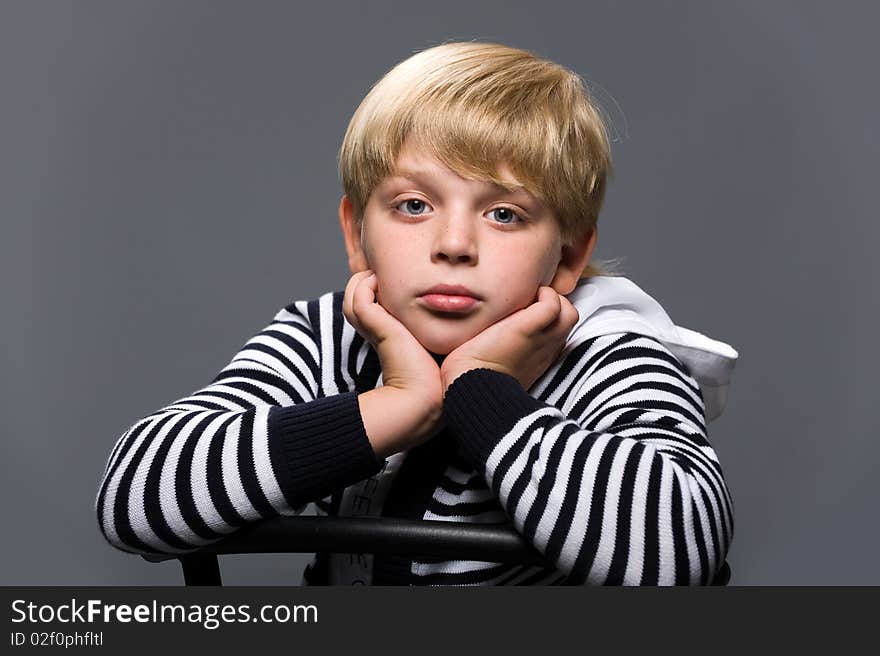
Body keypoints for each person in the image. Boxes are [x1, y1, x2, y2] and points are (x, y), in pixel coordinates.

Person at [95, 41, 738, 585]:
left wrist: (480, 387)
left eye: (504, 214)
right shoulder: (326, 337)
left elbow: (682, 553)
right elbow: (133, 499)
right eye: (413, 205)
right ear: (356, 234)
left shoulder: (609, 355)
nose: (454, 245)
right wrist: (396, 405)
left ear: (568, 256)